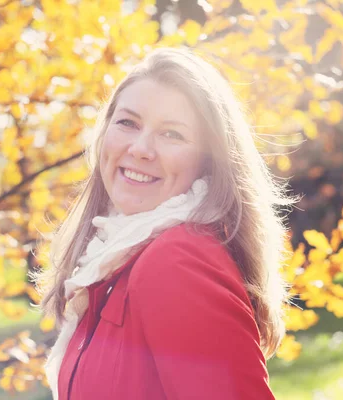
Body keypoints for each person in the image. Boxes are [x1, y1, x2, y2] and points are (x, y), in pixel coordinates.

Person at [34, 47, 295, 400]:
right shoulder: (117, 256)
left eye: (171, 134)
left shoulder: (176, 261)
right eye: (128, 122)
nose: (141, 148)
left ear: (208, 161)